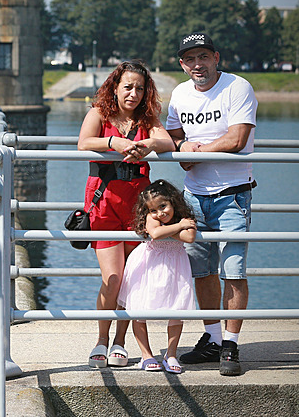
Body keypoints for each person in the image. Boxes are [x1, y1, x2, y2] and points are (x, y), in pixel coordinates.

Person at [166, 32, 258, 376]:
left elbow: (237, 138)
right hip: (193, 197)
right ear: (182, 64)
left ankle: (231, 346)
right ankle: (213, 339)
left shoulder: (237, 87)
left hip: (233, 193)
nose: (197, 65)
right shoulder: (179, 93)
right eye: (189, 59)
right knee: (201, 272)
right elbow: (175, 135)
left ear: (216, 57)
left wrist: (196, 152)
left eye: (203, 57)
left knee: (233, 271)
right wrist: (182, 149)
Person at [77, 60, 175, 368]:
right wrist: (114, 142)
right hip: (104, 203)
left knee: (132, 278)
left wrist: (146, 143)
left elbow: (167, 141)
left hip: (138, 208)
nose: (133, 94)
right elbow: (83, 143)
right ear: (115, 87)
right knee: (114, 278)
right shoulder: (99, 113)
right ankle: (101, 340)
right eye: (128, 87)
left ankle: (120, 341)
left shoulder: (147, 118)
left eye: (140, 88)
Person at [117, 180, 196, 374]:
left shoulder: (184, 216)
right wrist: (179, 226)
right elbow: (155, 232)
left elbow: (190, 237)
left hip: (175, 266)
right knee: (140, 309)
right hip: (149, 265)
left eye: (163, 206)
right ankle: (147, 355)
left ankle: (171, 354)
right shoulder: (176, 221)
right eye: (153, 210)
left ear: (173, 202)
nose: (159, 213)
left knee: (177, 309)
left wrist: (172, 228)